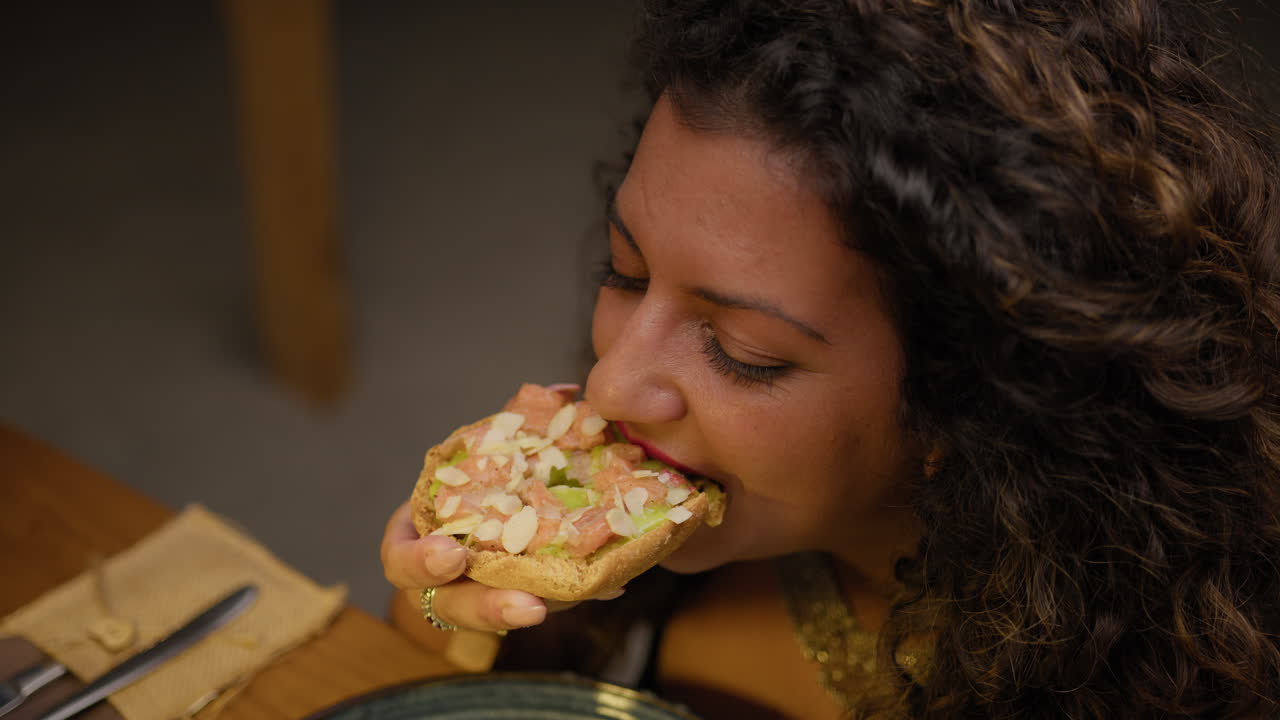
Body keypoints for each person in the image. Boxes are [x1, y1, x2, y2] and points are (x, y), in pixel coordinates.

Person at [381, 0, 1280, 717]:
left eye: (743, 352)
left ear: (980, 407)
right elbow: (427, 680)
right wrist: (460, 601)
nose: (613, 382)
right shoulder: (669, 517)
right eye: (624, 270)